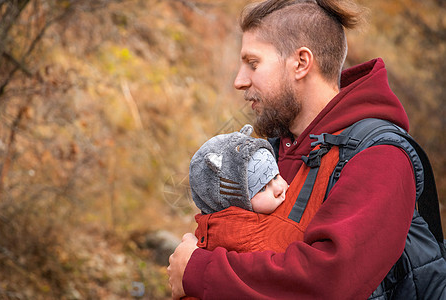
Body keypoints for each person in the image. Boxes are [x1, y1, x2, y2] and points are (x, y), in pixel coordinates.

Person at [168, 0, 446, 299]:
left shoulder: (380, 156)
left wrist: (200, 271)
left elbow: (329, 281)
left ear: (301, 63)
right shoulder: (270, 150)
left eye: (253, 63)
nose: (239, 80)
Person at [189, 124, 316, 253]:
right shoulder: (238, 235)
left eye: (276, 177)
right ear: (235, 201)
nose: (278, 189)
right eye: (262, 188)